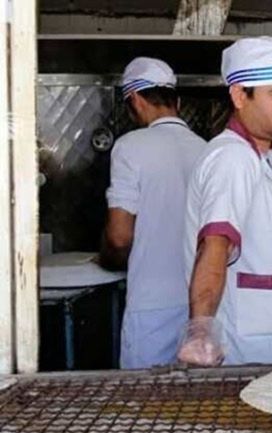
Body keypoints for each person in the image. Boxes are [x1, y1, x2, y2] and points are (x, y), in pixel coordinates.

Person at [182, 36, 272, 366]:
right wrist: (201, 331)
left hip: (270, 350)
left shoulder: (267, 160)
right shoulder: (231, 158)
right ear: (239, 96)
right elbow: (215, 246)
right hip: (241, 357)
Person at [101, 57, 206, 368]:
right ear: (177, 101)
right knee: (198, 394)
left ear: (134, 99)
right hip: (203, 307)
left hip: (151, 308)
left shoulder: (130, 146)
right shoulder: (207, 149)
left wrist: (105, 257)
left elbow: (119, 237)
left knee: (145, 395)